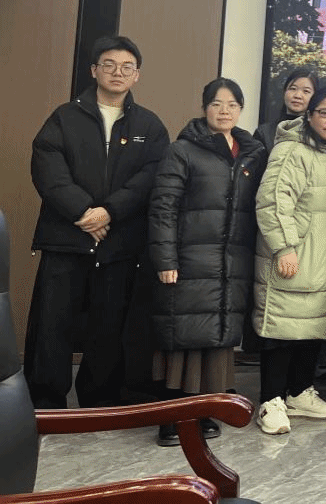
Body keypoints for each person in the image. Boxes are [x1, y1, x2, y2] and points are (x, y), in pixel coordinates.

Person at [25, 36, 169, 410]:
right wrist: (83, 212)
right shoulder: (64, 117)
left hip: (118, 244)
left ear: (137, 75)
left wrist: (109, 212)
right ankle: (45, 403)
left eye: (127, 67)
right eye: (109, 64)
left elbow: (151, 175)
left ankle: (100, 401)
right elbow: (47, 167)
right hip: (65, 239)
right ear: (94, 71)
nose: (117, 72)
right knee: (52, 325)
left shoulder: (149, 125)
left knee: (108, 327)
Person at [147, 77, 266, 446]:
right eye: (216, 103)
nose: (224, 111)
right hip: (188, 261)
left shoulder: (251, 154)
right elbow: (163, 208)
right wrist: (165, 258)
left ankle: (205, 412)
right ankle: (172, 419)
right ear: (204, 108)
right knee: (182, 340)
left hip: (231, 265)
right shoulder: (182, 151)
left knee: (217, 342)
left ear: (241, 110)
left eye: (232, 104)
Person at [252, 86, 326, 435]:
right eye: (324, 112)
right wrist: (283, 247)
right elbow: (273, 200)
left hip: (324, 256)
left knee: (312, 327)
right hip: (294, 254)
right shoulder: (291, 149)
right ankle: (270, 401)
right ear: (309, 115)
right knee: (281, 329)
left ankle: (299, 392)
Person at [255, 68, 323, 152]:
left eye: (306, 91)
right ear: (284, 92)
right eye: (293, 89)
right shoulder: (265, 132)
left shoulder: (320, 133)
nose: (297, 95)